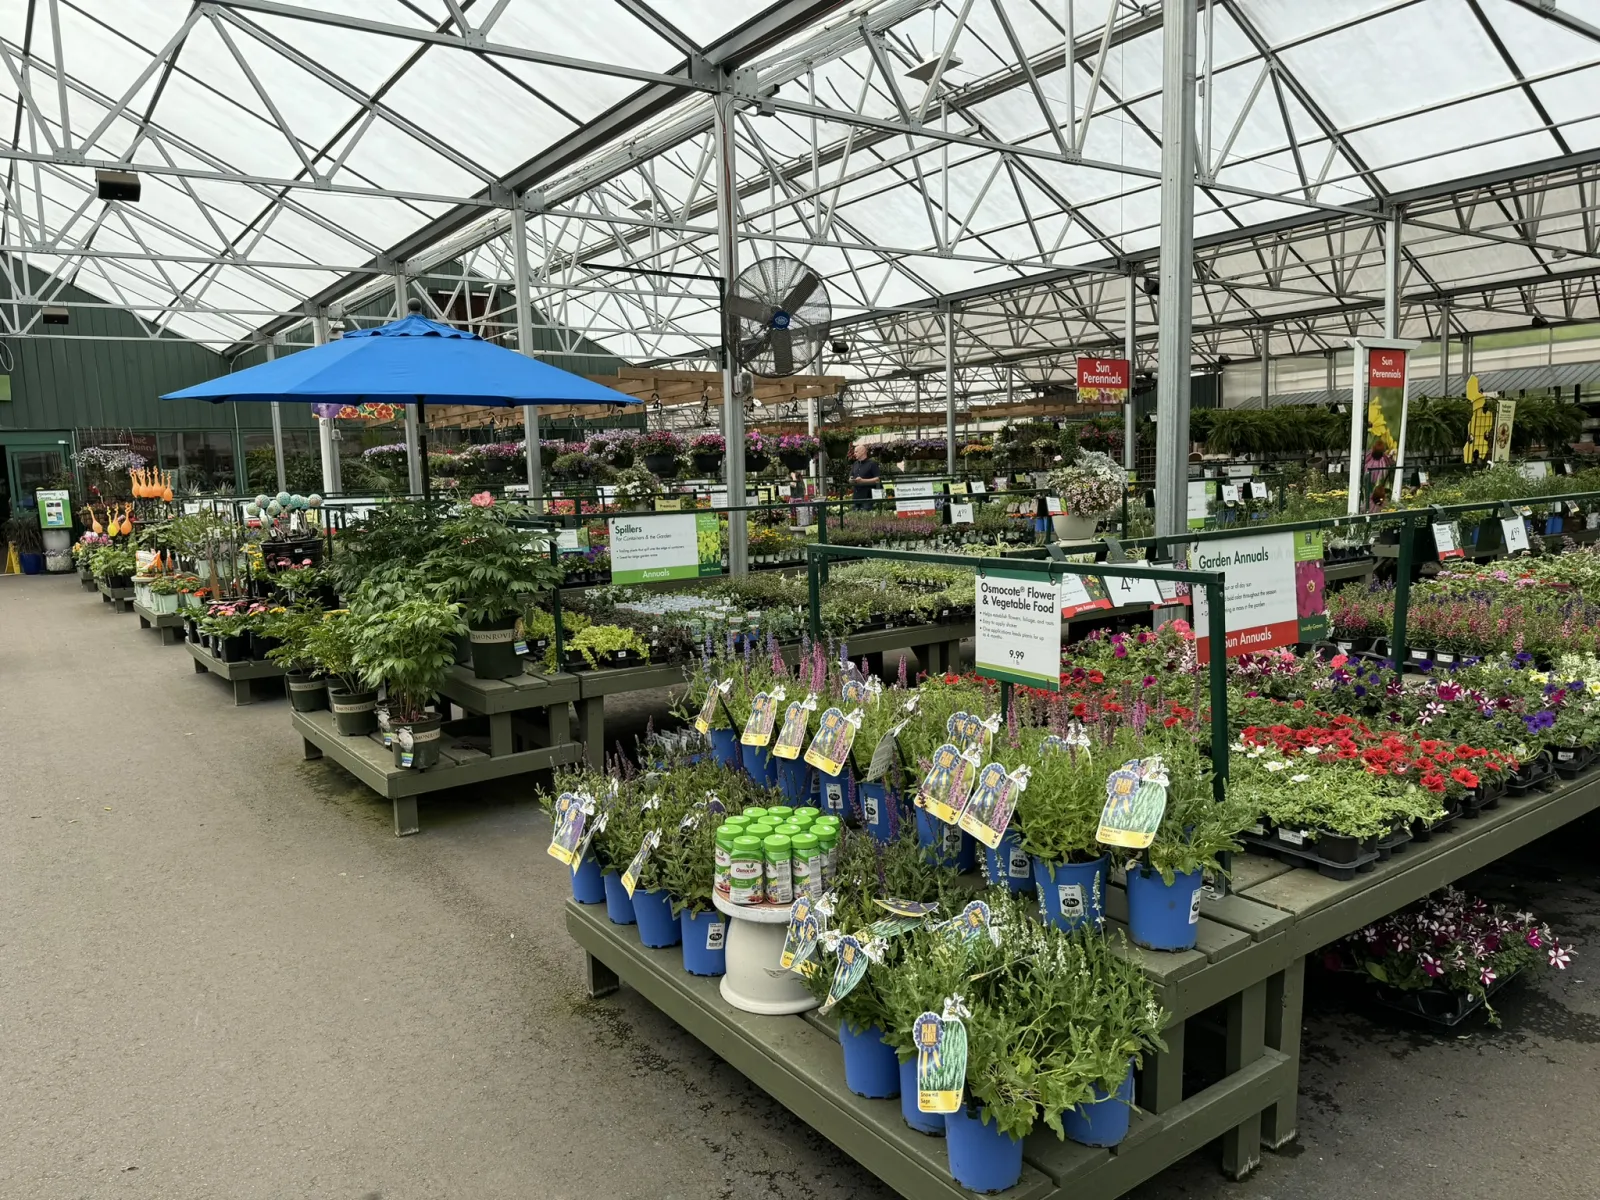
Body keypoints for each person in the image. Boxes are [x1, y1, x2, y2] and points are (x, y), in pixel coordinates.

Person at [849, 443, 880, 512]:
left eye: (856, 452)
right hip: (856, 497)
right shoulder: (855, 464)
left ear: (863, 451)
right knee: (854, 518)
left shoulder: (872, 464)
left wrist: (863, 481)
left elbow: (877, 479)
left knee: (866, 518)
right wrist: (851, 480)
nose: (854, 454)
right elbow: (851, 476)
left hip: (867, 497)